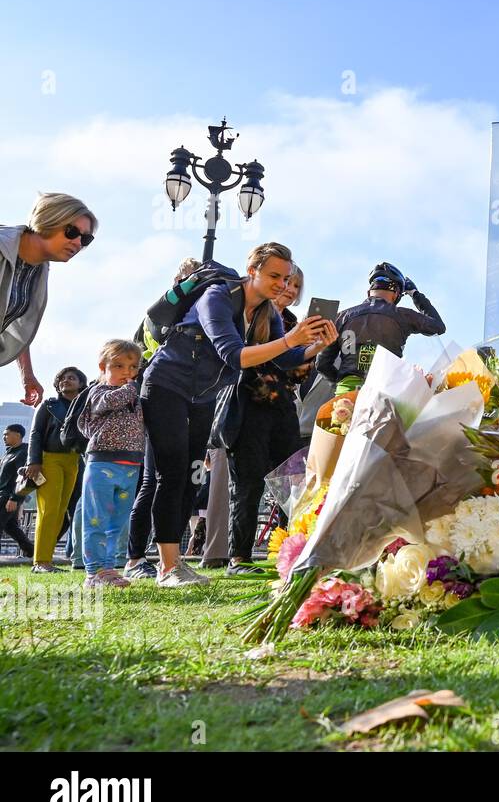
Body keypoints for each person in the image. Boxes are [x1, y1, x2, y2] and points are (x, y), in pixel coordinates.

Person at [134, 242, 335, 588]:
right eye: (274, 276)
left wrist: (316, 345)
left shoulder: (266, 313)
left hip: (203, 396)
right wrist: (291, 340)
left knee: (192, 475)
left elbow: (281, 360)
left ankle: (175, 563)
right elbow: (233, 354)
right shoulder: (217, 295)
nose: (282, 285)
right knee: (171, 473)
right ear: (252, 270)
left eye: (286, 279)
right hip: (167, 384)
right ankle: (165, 566)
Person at [226, 263, 316, 575]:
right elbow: (242, 357)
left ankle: (288, 552)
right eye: (285, 282)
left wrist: (314, 346)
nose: (289, 290)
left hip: (284, 407)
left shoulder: (294, 323)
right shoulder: (251, 313)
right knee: (249, 482)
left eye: (295, 286)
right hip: (251, 403)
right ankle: (239, 557)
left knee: (292, 482)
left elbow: (299, 372)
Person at [125, 257, 204, 579]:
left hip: (191, 402)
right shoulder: (160, 312)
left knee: (186, 479)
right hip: (159, 398)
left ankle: (169, 557)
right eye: (191, 280)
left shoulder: (205, 314)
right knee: (154, 481)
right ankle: (134, 558)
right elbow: (137, 355)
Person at [1, 193, 98, 406]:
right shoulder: (3, 244)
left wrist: (27, 376)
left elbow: (16, 324)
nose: (77, 242)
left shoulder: (38, 269)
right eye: (71, 231)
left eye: (85, 239)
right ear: (48, 220)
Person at [316, 262, 445, 394]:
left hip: (346, 394)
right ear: (396, 294)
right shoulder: (402, 315)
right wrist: (415, 294)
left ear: (368, 293)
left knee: (341, 413)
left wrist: (341, 381)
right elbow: (438, 327)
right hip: (384, 392)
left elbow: (322, 363)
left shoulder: (341, 317)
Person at [77, 340, 146, 588]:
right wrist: (133, 388)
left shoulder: (134, 398)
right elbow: (108, 403)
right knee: (96, 519)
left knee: (117, 521)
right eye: (118, 365)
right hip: (102, 463)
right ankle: (92, 572)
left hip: (131, 465)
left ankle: (108, 569)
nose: (127, 372)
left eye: (133, 366)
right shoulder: (99, 392)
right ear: (102, 367)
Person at [25, 366, 88, 571]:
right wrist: (34, 461)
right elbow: (35, 433)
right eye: (62, 378)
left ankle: (47, 560)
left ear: (81, 384)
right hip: (49, 459)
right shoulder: (49, 405)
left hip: (73, 460)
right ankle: (41, 562)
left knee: (60, 512)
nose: (66, 381)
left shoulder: (84, 406)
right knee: (48, 509)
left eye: (71, 378)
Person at [0, 424, 34, 559]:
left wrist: (15, 498)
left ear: (18, 435)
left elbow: (23, 479)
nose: (4, 437)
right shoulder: (9, 452)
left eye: (7, 434)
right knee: (11, 528)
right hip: (3, 495)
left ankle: (32, 552)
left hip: (8, 497)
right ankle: (31, 552)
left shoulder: (23, 453)